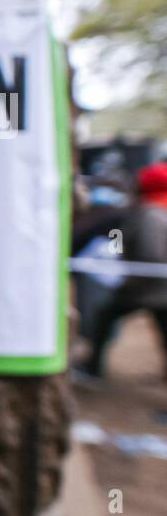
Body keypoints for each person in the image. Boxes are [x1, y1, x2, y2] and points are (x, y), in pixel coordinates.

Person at [82, 162, 167, 378]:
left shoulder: (150, 215)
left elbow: (151, 255)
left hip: (150, 288)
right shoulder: (151, 212)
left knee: (105, 316)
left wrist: (127, 280)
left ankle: (92, 367)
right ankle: (92, 366)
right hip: (153, 287)